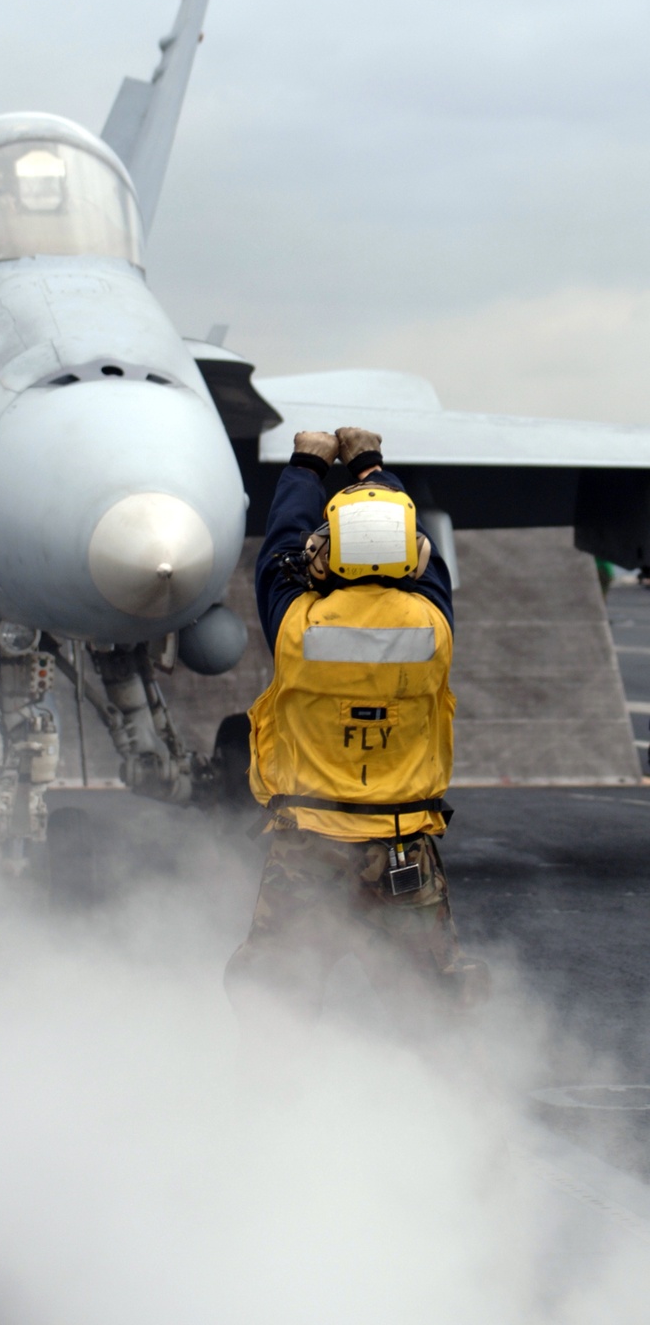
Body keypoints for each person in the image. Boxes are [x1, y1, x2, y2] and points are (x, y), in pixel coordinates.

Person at [225, 426, 488, 1029]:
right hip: (403, 853)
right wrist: (371, 467)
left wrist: (304, 468)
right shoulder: (433, 628)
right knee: (434, 1016)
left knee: (276, 1007)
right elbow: (424, 559)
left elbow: (277, 553)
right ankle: (446, 1115)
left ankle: (269, 1115)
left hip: (307, 852)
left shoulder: (297, 629)